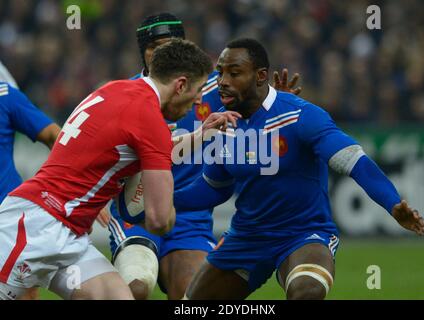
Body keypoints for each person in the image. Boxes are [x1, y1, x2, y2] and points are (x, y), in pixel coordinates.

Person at [173, 38, 424, 300]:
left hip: (303, 234)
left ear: (261, 76)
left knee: (307, 292)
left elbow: (354, 161)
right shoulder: (225, 126)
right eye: (221, 72)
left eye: (234, 73)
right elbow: (212, 189)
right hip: (246, 238)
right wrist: (160, 203)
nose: (223, 80)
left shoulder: (299, 115)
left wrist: (392, 203)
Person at [104, 13, 303, 300]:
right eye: (153, 46)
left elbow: (255, 112)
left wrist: (273, 107)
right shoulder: (126, 94)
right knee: (137, 285)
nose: (162, 52)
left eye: (170, 44)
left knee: (194, 298)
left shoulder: (212, 86)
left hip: (188, 215)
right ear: (141, 52)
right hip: (139, 209)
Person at [0, 39, 217, 300]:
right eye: (199, 89)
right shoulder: (149, 120)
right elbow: (159, 221)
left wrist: (200, 135)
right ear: (180, 84)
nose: (199, 100)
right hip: (32, 228)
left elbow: (148, 147)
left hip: (68, 233)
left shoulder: (116, 89)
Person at [0, 64, 61, 300]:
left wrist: (72, 186)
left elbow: (56, 137)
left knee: (23, 292)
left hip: (6, 216)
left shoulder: (5, 95)